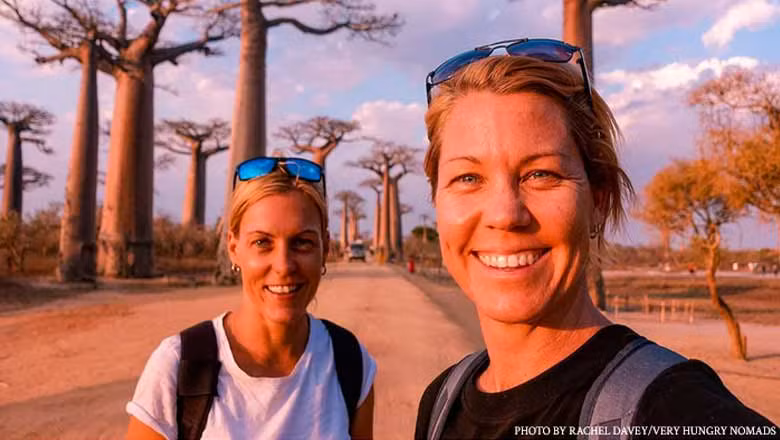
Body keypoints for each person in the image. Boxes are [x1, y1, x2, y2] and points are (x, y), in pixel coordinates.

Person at [414, 38, 776, 439]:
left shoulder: (673, 411)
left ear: (599, 199)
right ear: (436, 200)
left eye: (541, 174)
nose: (505, 214)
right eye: (468, 178)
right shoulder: (441, 402)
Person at [126, 156, 376, 439]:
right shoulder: (177, 366)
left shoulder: (351, 364)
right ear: (234, 248)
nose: (283, 265)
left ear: (325, 248)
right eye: (262, 242)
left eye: (302, 242)